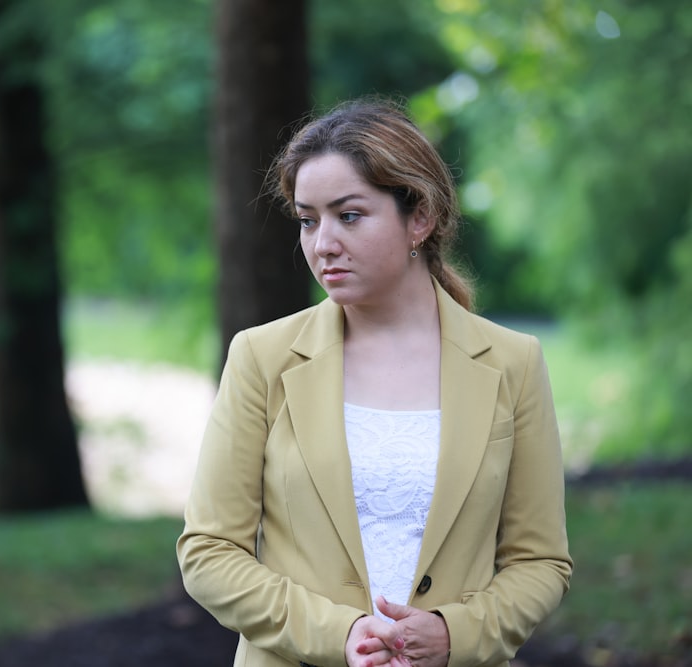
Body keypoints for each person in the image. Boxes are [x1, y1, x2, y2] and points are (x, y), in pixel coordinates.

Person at [176, 97, 572, 667]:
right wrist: (339, 634)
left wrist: (453, 634)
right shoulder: (261, 358)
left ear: (420, 217)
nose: (323, 243)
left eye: (350, 215)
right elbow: (208, 552)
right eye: (309, 219)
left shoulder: (512, 362)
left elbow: (540, 561)